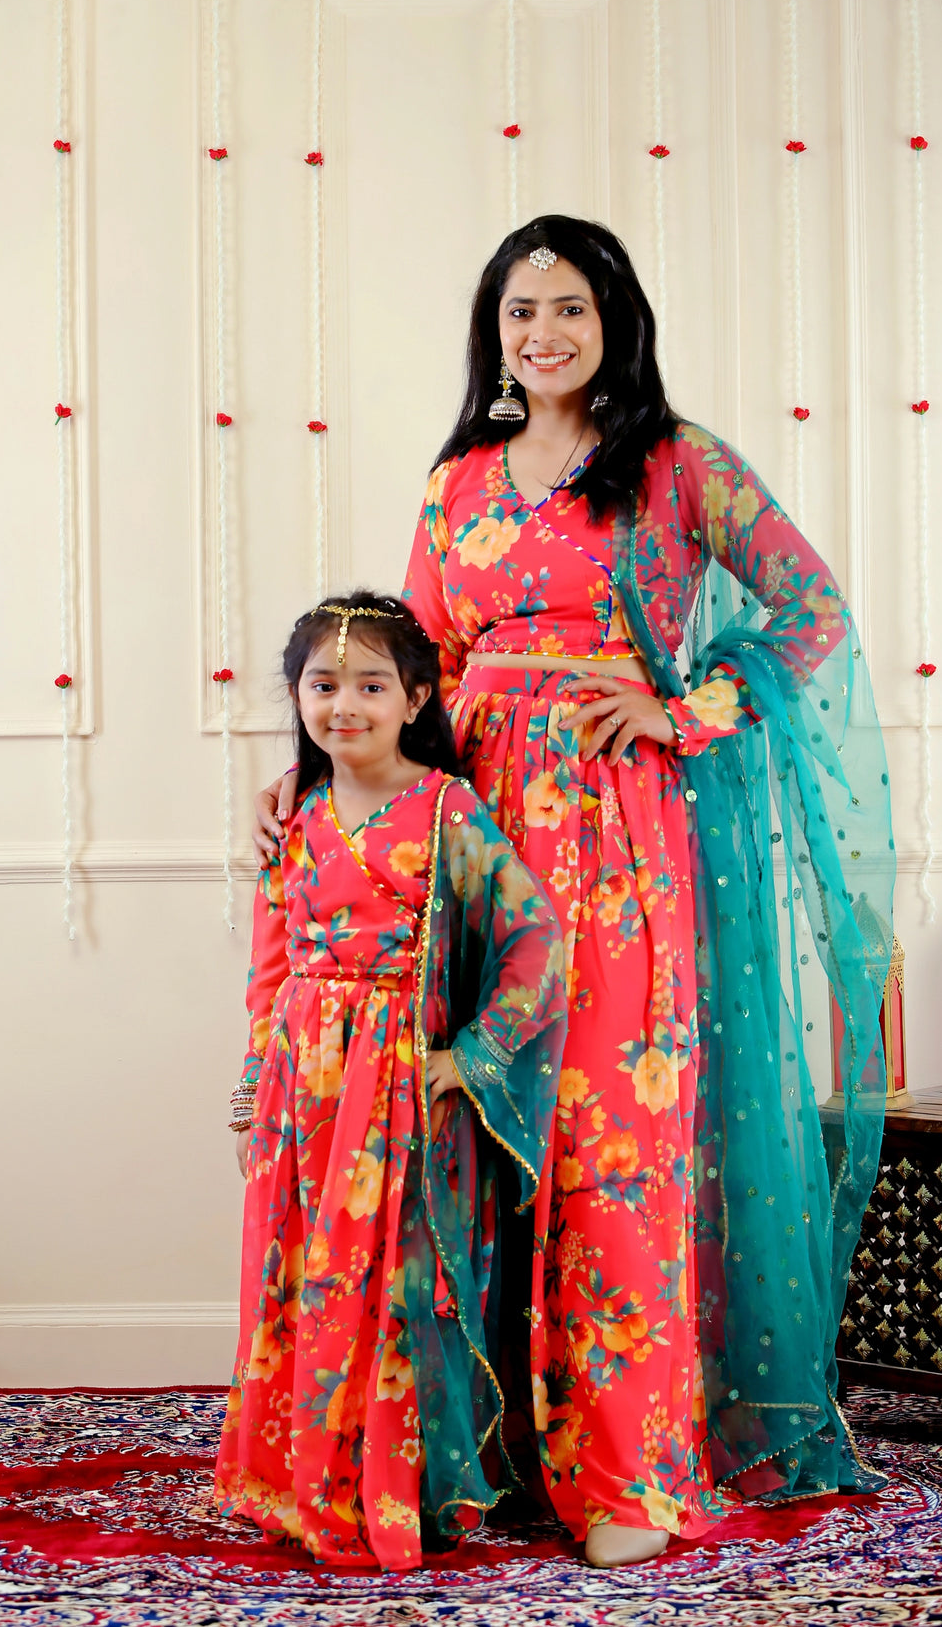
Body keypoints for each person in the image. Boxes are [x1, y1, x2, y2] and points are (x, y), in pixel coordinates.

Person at [254, 217, 895, 1568]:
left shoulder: (677, 466)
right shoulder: (457, 487)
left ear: (615, 319)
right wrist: (309, 788)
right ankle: (466, 1464)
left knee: (610, 1137)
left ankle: (624, 1473)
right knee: (469, 1134)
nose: (540, 333)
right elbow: (398, 673)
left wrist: (681, 704)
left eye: (567, 308)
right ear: (495, 331)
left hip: (616, 839)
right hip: (467, 837)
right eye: (517, 310)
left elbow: (812, 613)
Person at [217, 592, 566, 1570]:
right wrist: (252, 1089)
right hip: (304, 1092)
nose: (345, 706)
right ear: (297, 695)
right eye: (323, 685)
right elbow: (271, 965)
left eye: (371, 685)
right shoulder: (296, 815)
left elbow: (537, 941)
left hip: (403, 1093)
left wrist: (478, 1055)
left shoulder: (449, 809)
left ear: (416, 696)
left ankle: (396, 1490)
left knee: (397, 1286)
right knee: (308, 1274)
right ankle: (308, 1479)